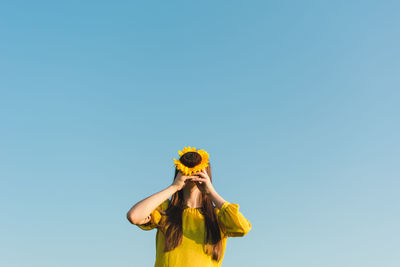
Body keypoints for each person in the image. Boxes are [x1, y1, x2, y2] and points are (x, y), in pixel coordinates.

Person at [126, 147, 252, 267]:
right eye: (186, 169)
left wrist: (211, 192)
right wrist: (174, 187)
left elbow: (242, 228)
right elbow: (134, 216)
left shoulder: (218, 215)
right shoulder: (166, 210)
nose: (192, 172)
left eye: (198, 169)